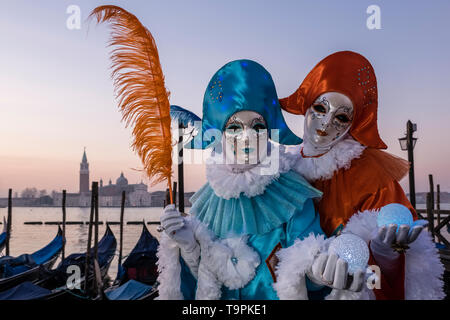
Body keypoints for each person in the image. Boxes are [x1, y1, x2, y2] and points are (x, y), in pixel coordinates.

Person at [156, 59, 361, 300]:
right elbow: (201, 285)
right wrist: (189, 248)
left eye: (257, 127)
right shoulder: (206, 205)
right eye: (234, 128)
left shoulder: (291, 195)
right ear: (220, 137)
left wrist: (319, 271)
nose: (247, 138)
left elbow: (308, 268)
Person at [276, 51, 445, 299]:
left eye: (341, 117)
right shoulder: (283, 168)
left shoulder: (368, 175)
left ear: (353, 125)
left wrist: (384, 254)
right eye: (320, 108)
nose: (326, 124)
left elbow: (398, 265)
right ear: (306, 106)